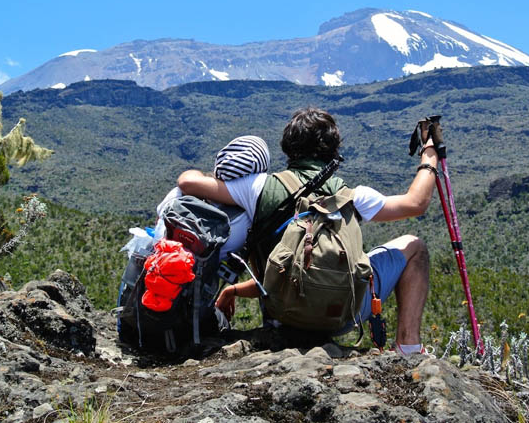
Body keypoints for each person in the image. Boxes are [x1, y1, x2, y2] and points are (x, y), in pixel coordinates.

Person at [176, 107, 439, 355]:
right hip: (342, 316)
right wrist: (430, 154)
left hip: (281, 313)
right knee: (415, 247)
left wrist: (232, 290)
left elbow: (187, 182)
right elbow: (417, 203)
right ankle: (409, 347)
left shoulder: (257, 188)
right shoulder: (355, 197)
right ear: (334, 149)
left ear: (288, 148)